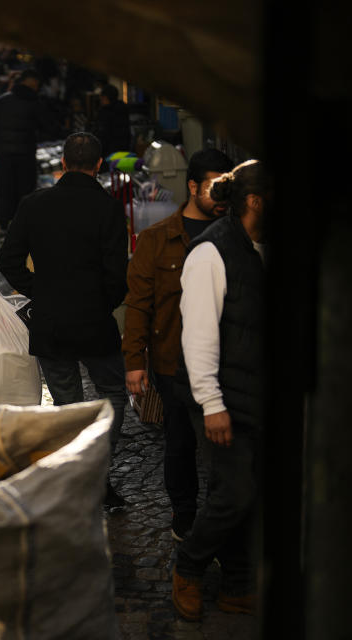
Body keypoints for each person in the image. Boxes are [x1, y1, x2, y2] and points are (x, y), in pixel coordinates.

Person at [0, 132, 128, 507]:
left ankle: (77, 472)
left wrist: (40, 290)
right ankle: (98, 466)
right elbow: (118, 274)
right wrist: (102, 302)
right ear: (98, 165)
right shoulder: (108, 208)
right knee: (113, 393)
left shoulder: (35, 204)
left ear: (64, 164)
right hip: (95, 319)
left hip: (51, 320)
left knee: (67, 403)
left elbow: (8, 260)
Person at [171, 160, 269, 621]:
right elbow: (199, 337)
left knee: (249, 492)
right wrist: (212, 404)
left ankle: (236, 584)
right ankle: (188, 567)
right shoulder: (211, 253)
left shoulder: (259, 247)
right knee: (235, 490)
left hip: (255, 393)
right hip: (219, 395)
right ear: (254, 202)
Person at [121, 148, 235, 540]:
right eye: (214, 187)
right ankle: (184, 515)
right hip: (172, 362)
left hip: (227, 362)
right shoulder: (158, 239)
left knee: (227, 449)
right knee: (180, 443)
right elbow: (139, 303)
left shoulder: (234, 238)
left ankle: (225, 522)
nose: (222, 197)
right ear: (192, 186)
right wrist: (135, 362)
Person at [0, 68, 52, 237]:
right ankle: (23, 225)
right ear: (33, 83)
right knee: (25, 190)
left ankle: (2, 224)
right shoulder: (35, 102)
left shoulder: (1, 100)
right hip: (26, 154)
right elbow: (47, 127)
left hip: (3, 154)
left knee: (4, 190)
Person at [93, 83, 132, 158]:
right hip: (123, 149)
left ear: (105, 97)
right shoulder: (123, 109)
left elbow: (103, 133)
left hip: (108, 151)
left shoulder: (105, 112)